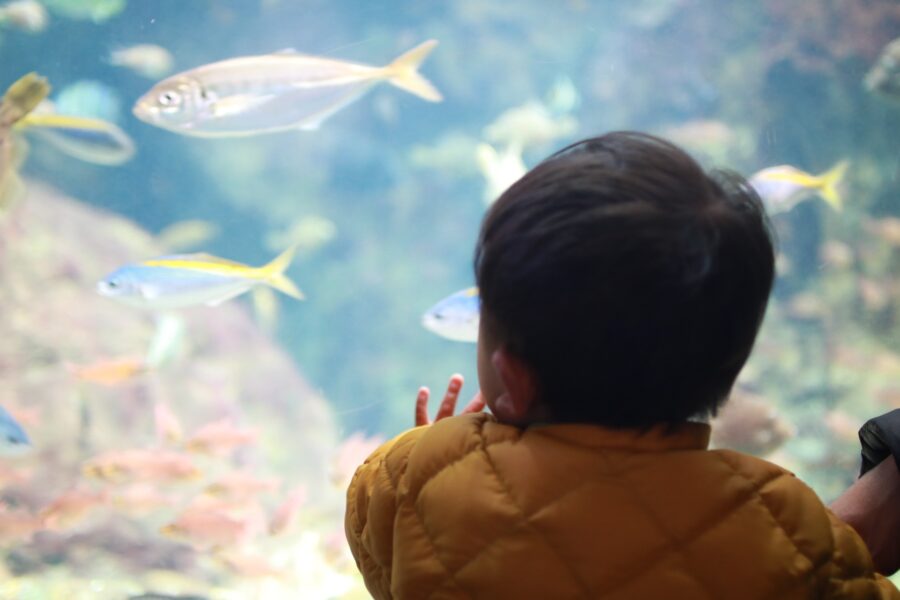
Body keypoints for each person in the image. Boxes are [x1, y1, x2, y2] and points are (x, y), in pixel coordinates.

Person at [344, 132, 900, 599]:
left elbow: (383, 560)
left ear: (511, 377)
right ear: (730, 363)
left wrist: (445, 451)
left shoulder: (412, 476)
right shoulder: (788, 525)